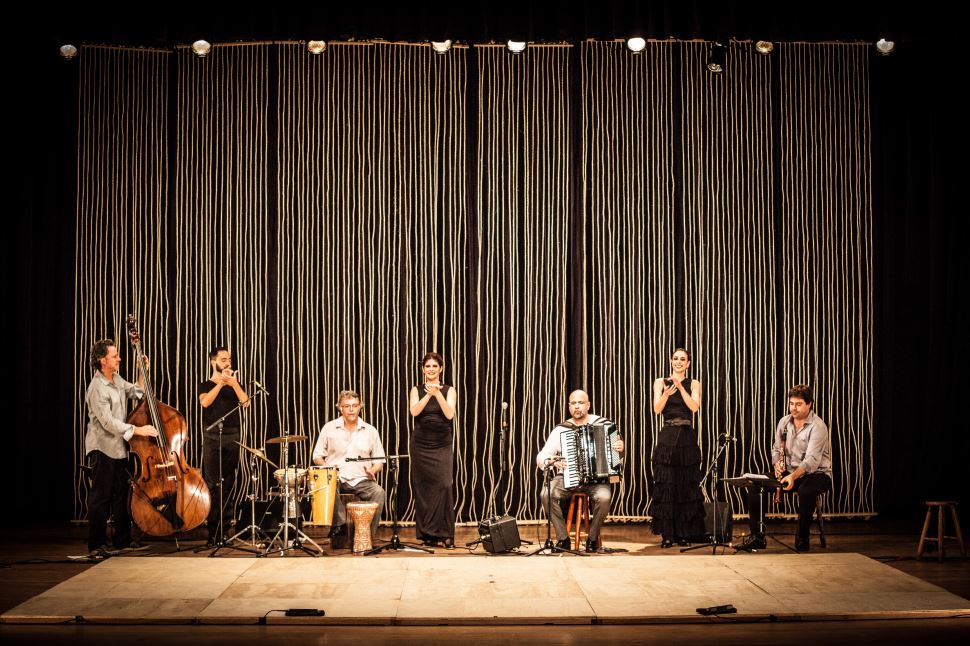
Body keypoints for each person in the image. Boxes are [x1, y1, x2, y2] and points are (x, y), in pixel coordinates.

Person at [84, 339, 158, 558]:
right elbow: (107, 423)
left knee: (121, 495)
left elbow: (137, 392)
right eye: (115, 355)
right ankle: (96, 545)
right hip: (102, 447)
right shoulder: (97, 388)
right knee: (101, 497)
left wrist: (142, 372)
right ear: (102, 360)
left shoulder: (115, 379)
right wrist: (139, 430)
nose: (119, 358)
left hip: (119, 448)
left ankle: (122, 541)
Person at [738, 384, 832, 552]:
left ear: (810, 404)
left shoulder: (818, 427)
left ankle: (802, 539)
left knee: (806, 492)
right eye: (791, 403)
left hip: (817, 474)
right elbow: (776, 449)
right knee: (754, 484)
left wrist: (792, 477)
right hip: (790, 471)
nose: (793, 408)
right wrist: (777, 466)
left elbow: (811, 461)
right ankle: (757, 537)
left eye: (798, 404)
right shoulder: (784, 422)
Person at [536, 390, 624, 553]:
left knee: (604, 498)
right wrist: (553, 461)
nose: (577, 407)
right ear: (569, 406)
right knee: (546, 494)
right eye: (573, 403)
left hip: (597, 482)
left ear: (588, 405)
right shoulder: (561, 429)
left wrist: (620, 449)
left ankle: (592, 539)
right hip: (567, 478)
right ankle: (563, 539)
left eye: (580, 403)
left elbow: (617, 456)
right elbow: (541, 456)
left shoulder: (604, 424)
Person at [312, 390, 386, 549]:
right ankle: (340, 525)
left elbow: (380, 460)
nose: (351, 409)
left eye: (354, 406)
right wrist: (328, 468)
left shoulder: (370, 430)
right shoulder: (329, 428)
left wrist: (373, 470)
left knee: (379, 492)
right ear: (340, 408)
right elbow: (317, 456)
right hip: (336, 478)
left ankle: (367, 535)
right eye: (347, 406)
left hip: (360, 479)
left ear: (360, 407)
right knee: (328, 486)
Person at [648, 348, 707, 548]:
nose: (679, 362)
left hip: (686, 437)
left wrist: (682, 389)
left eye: (683, 359)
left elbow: (694, 407)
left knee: (685, 486)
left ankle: (684, 533)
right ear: (671, 361)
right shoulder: (660, 382)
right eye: (675, 359)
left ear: (688, 364)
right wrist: (665, 393)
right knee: (667, 485)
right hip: (668, 434)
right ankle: (667, 534)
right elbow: (657, 409)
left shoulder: (694, 383)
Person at [198, 346, 250, 547]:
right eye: (223, 359)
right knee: (213, 485)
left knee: (228, 484)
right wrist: (220, 383)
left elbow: (246, 403)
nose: (227, 362)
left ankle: (225, 531)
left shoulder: (234, 385)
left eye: (229, 359)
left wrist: (234, 384)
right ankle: (213, 533)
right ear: (213, 362)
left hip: (233, 437)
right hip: (212, 437)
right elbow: (205, 403)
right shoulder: (205, 385)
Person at [408, 352, 458, 549]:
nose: (431, 369)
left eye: (434, 366)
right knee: (423, 487)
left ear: (441, 369)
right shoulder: (416, 390)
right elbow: (414, 412)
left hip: (441, 442)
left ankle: (446, 534)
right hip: (420, 443)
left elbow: (449, 414)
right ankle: (428, 533)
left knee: (445, 485)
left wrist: (438, 394)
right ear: (423, 369)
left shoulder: (449, 390)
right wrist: (429, 394)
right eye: (427, 366)